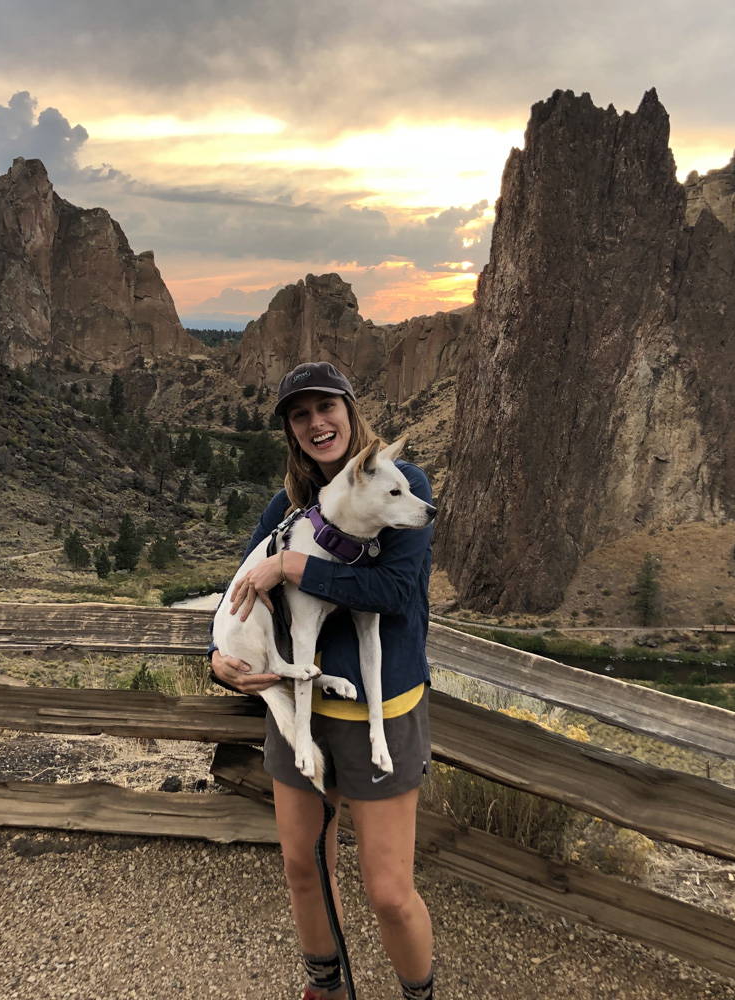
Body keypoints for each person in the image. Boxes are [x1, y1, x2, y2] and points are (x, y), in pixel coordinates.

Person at [209, 361, 435, 1000]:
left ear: (348, 410)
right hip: (299, 713)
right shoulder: (287, 508)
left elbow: (395, 592)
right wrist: (217, 657)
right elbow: (242, 584)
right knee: (303, 866)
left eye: (325, 408)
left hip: (381, 712)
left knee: (388, 891)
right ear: (291, 430)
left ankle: (418, 993)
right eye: (300, 415)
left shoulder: (401, 487)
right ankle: (326, 986)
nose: (316, 423)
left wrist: (296, 566)